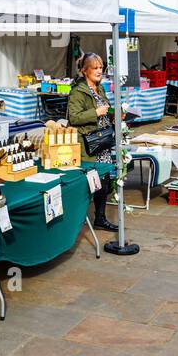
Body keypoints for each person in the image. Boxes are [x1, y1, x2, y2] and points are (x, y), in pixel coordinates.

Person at [66, 52, 118, 232]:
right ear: (85, 70)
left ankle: (100, 218)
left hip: (102, 141)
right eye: (95, 68)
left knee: (104, 181)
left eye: (101, 68)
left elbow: (105, 109)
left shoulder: (100, 88)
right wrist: (96, 113)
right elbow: (73, 117)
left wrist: (113, 114)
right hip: (89, 143)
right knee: (92, 182)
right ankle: (80, 219)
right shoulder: (77, 92)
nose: (99, 71)